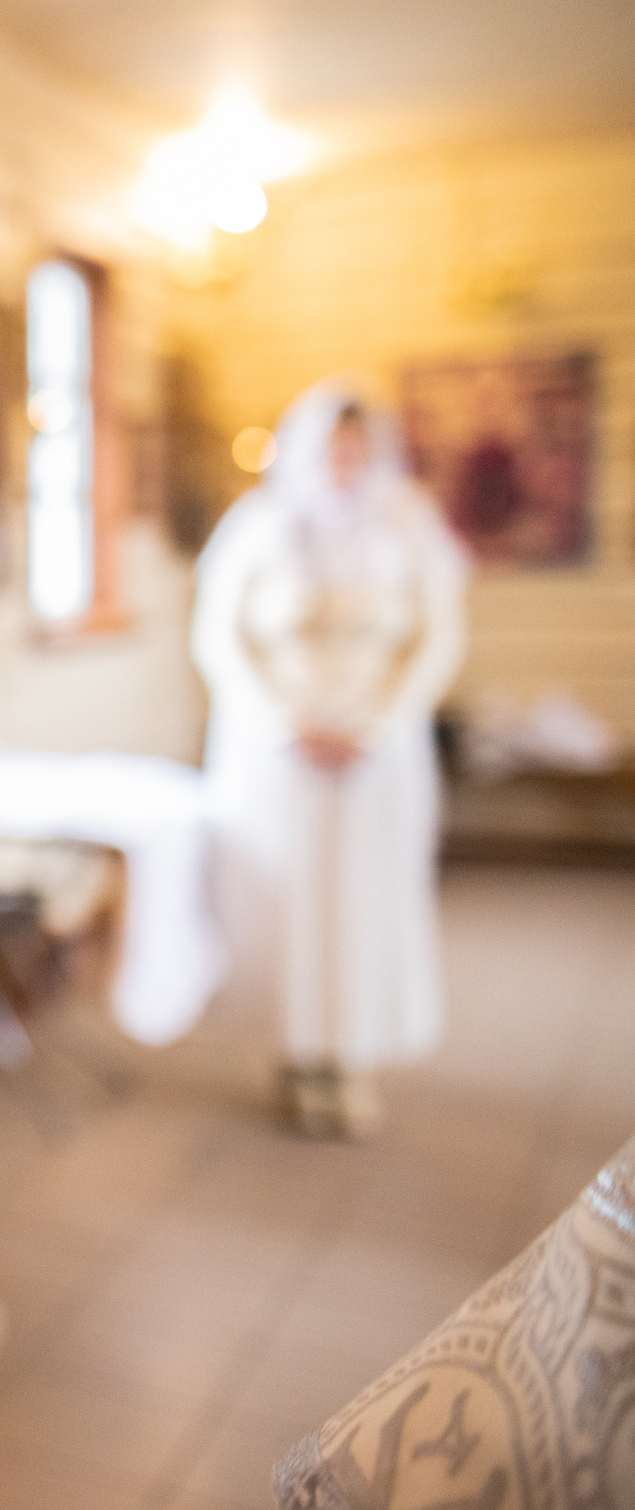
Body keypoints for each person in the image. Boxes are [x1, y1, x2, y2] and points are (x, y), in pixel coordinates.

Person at [192, 381, 468, 1138]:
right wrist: (285, 724)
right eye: (329, 447)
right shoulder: (256, 524)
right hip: (279, 749)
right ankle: (294, 1049)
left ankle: (350, 1056)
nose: (343, 461)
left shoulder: (409, 523)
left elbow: (439, 637)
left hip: (375, 747)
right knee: (286, 898)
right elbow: (218, 636)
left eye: (355, 447)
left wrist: (375, 727)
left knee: (363, 898)